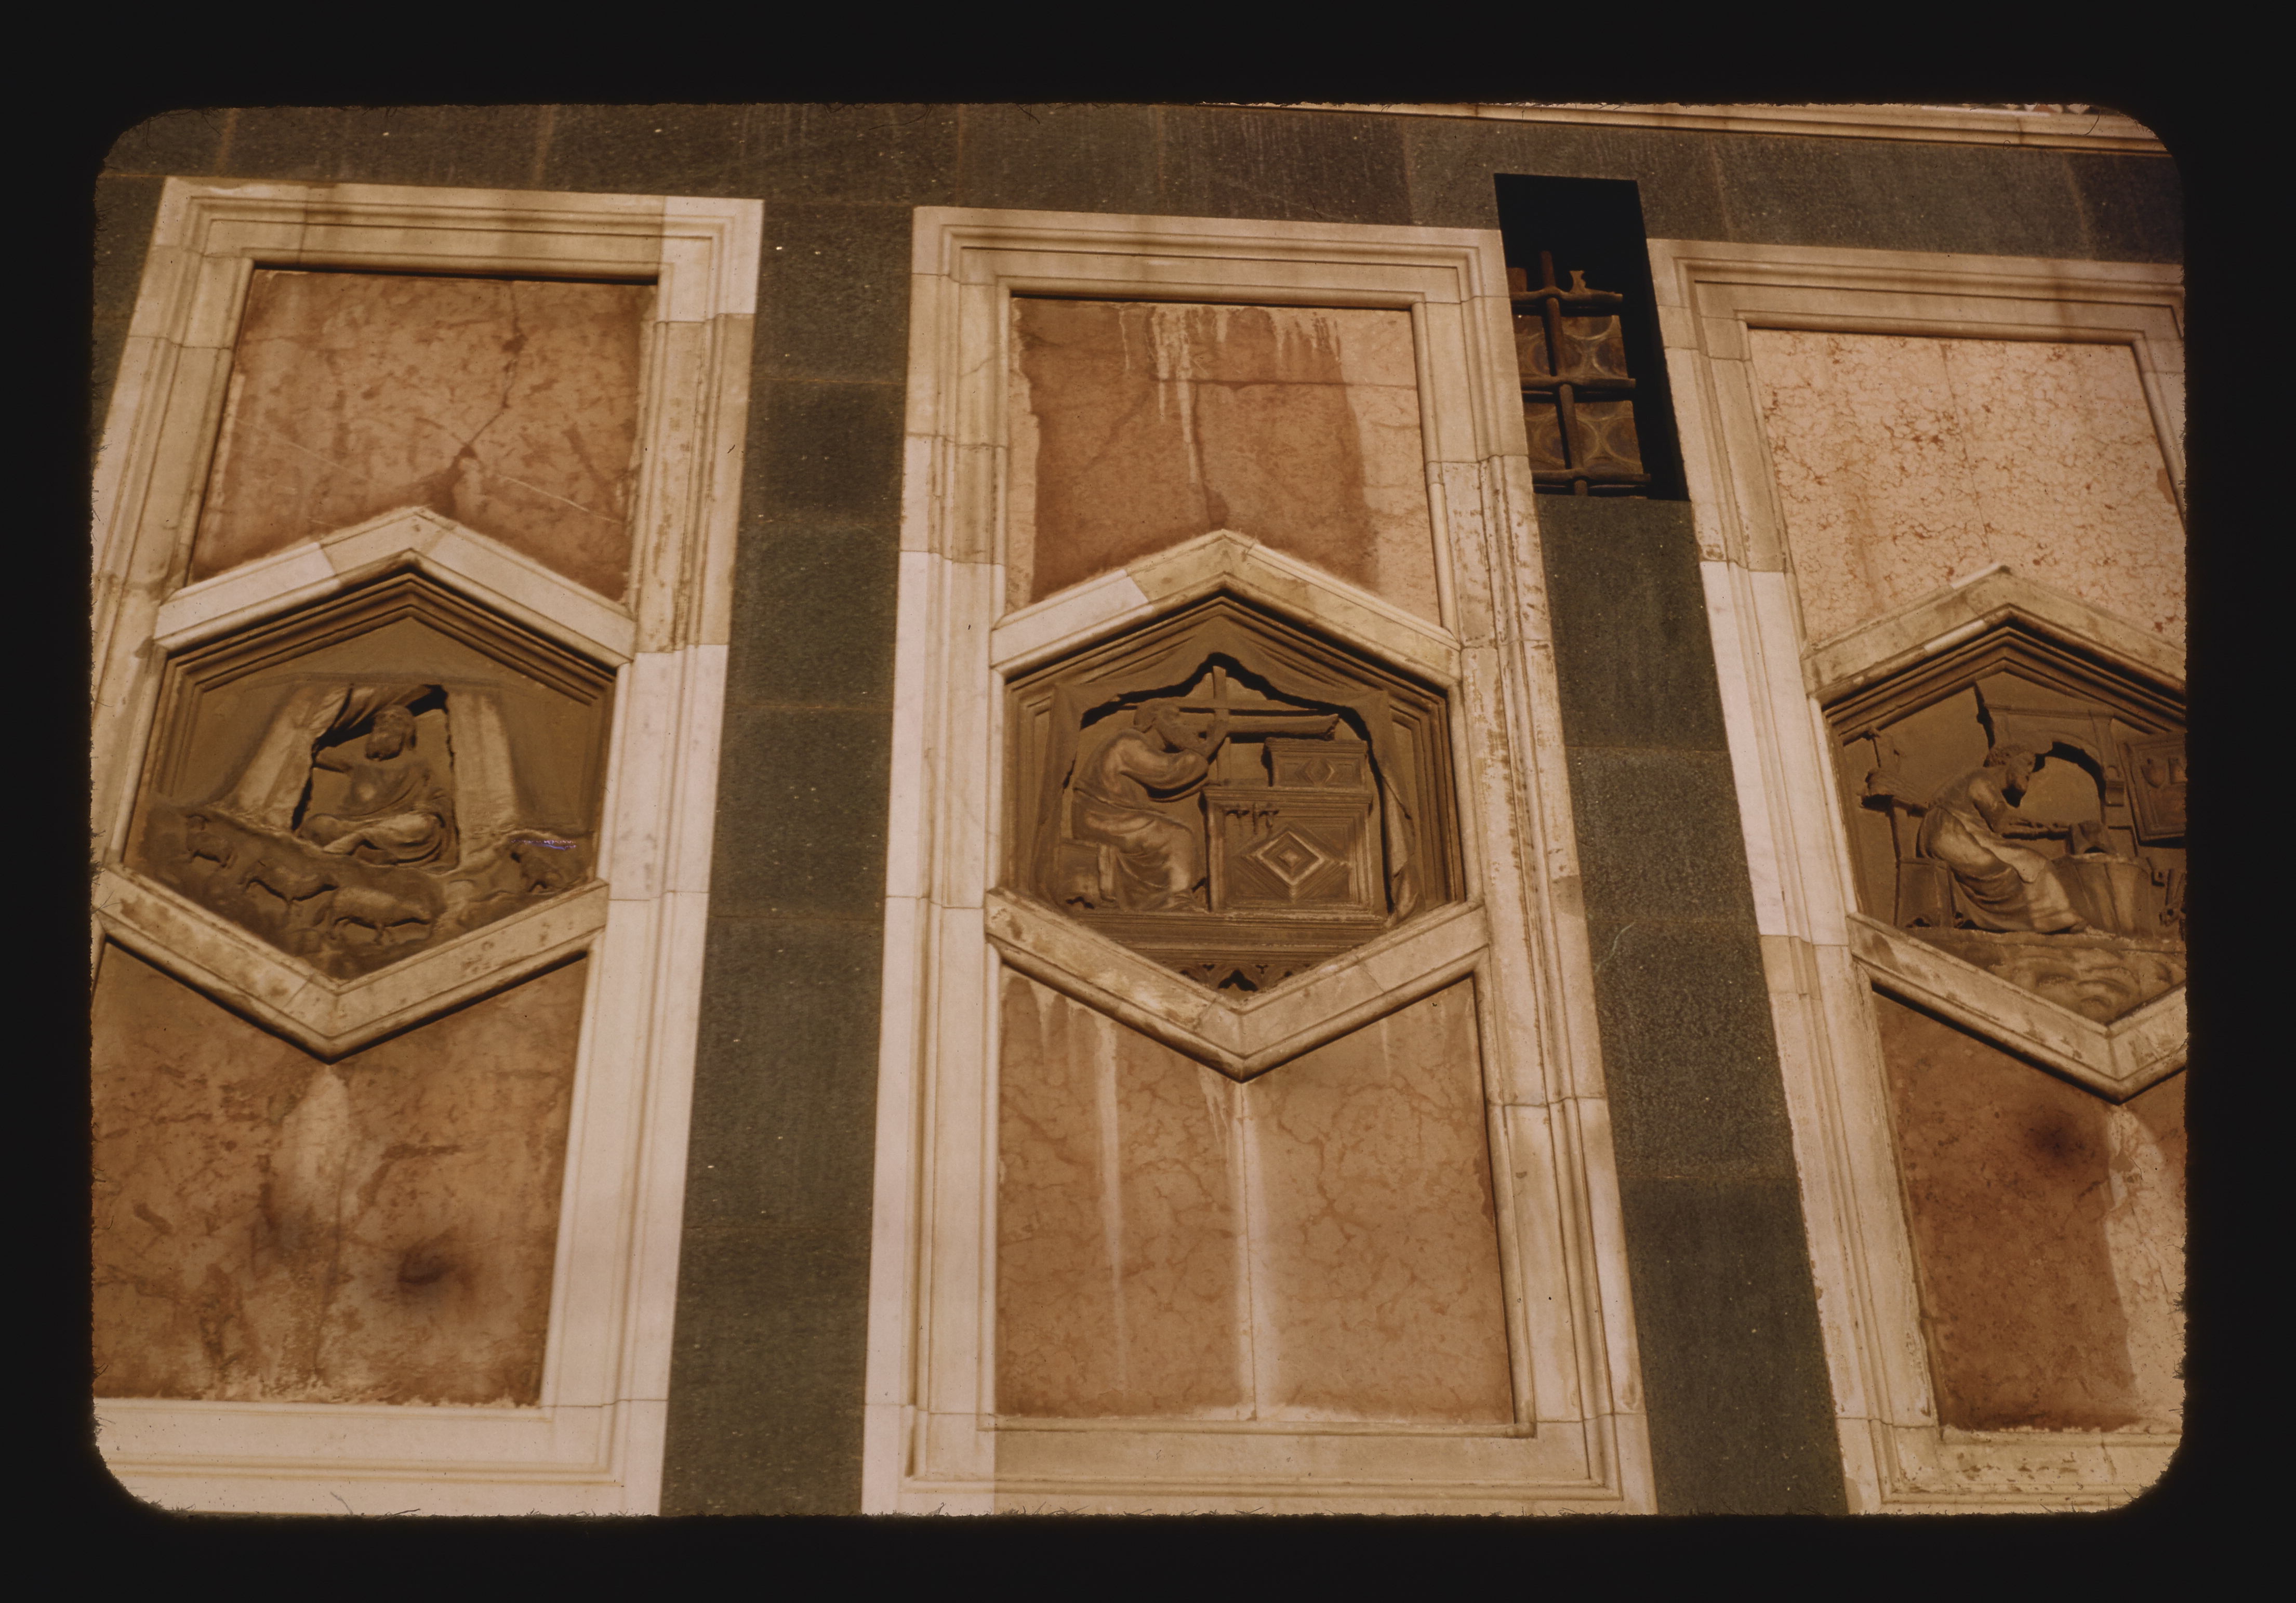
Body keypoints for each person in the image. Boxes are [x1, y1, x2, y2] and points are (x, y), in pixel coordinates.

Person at [1071, 701, 1229, 911]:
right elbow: (1168, 772)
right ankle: (1175, 900)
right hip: (1101, 817)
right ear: (1154, 721)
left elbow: (1164, 790)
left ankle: (1171, 896)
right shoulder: (1128, 741)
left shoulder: (1141, 746)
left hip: (1117, 816)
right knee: (1177, 836)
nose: (1182, 725)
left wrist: (1203, 784)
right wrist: (1212, 743)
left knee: (1177, 830)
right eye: (1174, 718)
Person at [1917, 743, 2086, 934]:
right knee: (2004, 871)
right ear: (2006, 759)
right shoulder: (1981, 778)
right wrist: (2044, 828)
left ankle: (2056, 918)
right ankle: (2047, 920)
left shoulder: (1985, 782)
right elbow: (2002, 823)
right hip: (1950, 832)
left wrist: (2043, 828)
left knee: (2034, 862)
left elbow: (2001, 824)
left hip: (1966, 833)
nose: (2029, 772)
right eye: (2027, 763)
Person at [298, 704, 456, 867]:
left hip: (392, 825)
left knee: (425, 824)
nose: (387, 723)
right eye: (382, 719)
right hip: (350, 824)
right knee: (317, 824)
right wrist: (304, 734)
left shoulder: (418, 765)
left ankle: (359, 839)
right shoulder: (359, 762)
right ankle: (366, 853)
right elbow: (317, 755)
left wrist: (429, 807)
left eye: (396, 720)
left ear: (407, 730)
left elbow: (440, 797)